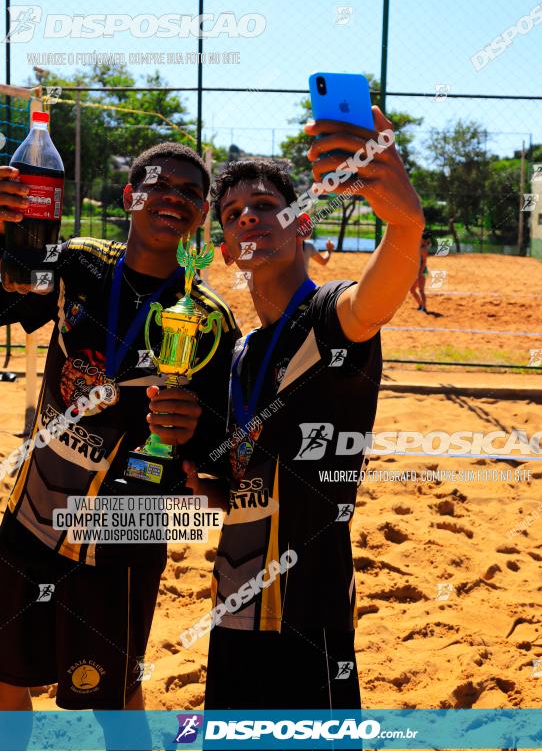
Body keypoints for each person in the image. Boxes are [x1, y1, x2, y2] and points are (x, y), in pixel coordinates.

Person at [184, 105, 424, 711]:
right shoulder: (239, 353)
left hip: (308, 606)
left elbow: (373, 302)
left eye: (264, 206)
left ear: (301, 223)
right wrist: (222, 493)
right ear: (223, 247)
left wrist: (405, 228)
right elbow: (251, 471)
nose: (248, 219)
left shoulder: (329, 316)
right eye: (233, 214)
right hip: (236, 594)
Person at [0, 142, 238, 723]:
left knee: (113, 698)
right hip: (32, 513)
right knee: (6, 676)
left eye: (190, 193)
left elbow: (223, 451)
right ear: (131, 196)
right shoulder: (77, 263)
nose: (173, 197)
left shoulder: (207, 318)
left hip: (123, 539)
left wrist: (193, 429)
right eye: (159, 184)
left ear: (202, 215)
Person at [409, 231, 432, 312]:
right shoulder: (419, 246)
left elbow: (424, 262)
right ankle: (420, 305)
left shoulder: (423, 249)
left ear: (423, 240)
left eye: (420, 238)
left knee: (421, 290)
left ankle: (424, 307)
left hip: (421, 270)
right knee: (412, 290)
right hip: (416, 270)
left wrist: (420, 273)